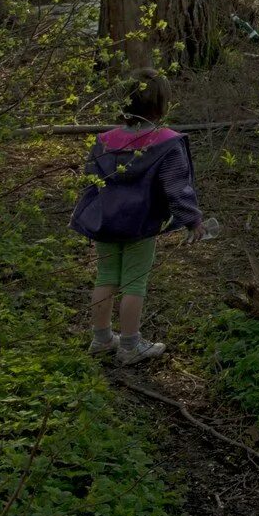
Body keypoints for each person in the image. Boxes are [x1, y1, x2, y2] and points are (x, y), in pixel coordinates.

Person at [71, 69, 203, 366]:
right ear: (162, 105)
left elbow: (92, 180)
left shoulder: (105, 140)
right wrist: (192, 218)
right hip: (140, 224)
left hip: (105, 221)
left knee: (106, 276)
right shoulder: (166, 142)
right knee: (134, 283)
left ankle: (101, 338)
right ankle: (130, 345)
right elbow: (176, 186)